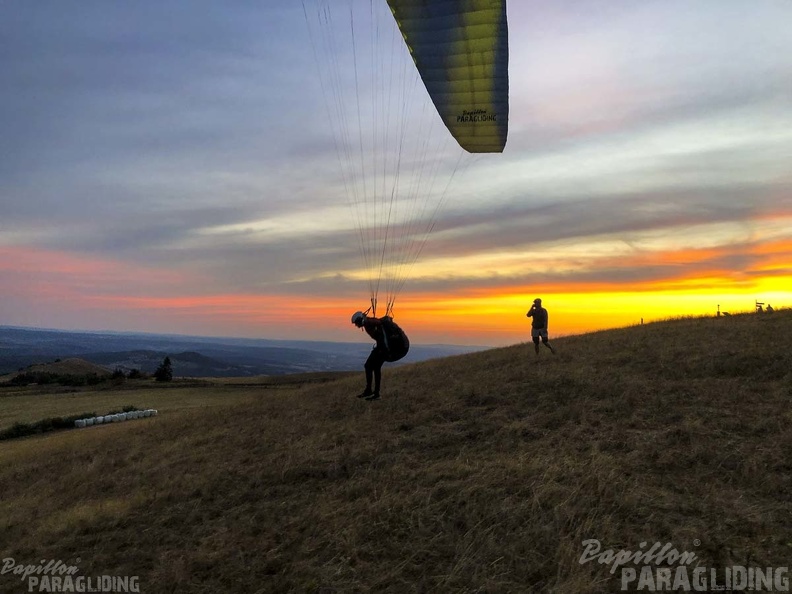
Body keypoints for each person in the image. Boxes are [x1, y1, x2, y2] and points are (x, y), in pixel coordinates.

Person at [351, 311, 410, 400]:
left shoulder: (369, 322)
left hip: (384, 348)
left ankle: (371, 391)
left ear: (361, 321)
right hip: (385, 348)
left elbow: (378, 323)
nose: (357, 326)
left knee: (369, 366)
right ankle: (375, 393)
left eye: (357, 323)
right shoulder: (370, 322)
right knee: (375, 367)